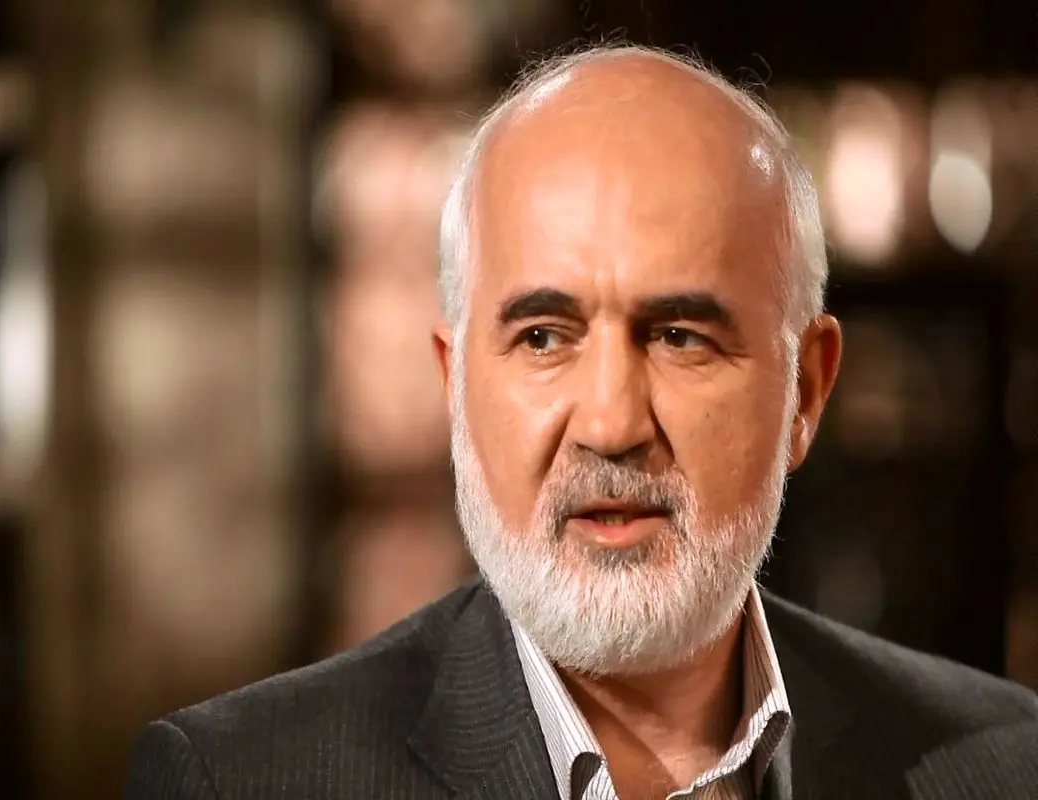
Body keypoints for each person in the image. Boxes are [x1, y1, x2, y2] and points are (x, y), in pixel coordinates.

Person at [124, 45, 1038, 800]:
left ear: (806, 392)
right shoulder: (240, 780)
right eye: (543, 337)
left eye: (679, 337)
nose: (609, 423)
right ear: (454, 387)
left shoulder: (1004, 764)